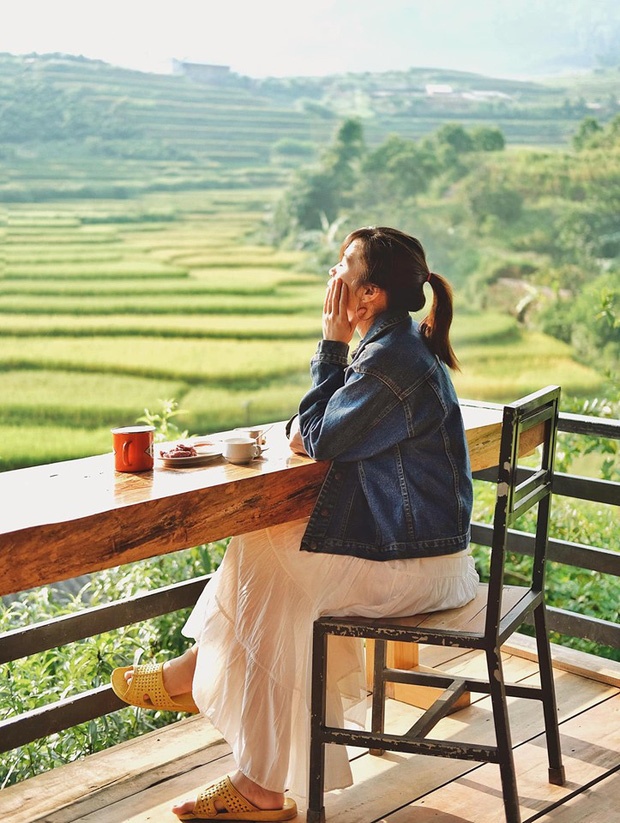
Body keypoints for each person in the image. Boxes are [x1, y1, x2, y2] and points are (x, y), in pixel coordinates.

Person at [111, 226, 478, 821]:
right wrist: (322, 400)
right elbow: (322, 430)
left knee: (275, 577)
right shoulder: (394, 348)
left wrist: (329, 345)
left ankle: (232, 742)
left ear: (370, 297)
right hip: (416, 551)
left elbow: (320, 437)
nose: (333, 276)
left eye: (344, 268)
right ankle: (237, 751)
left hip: (424, 566)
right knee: (264, 546)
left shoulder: (391, 361)